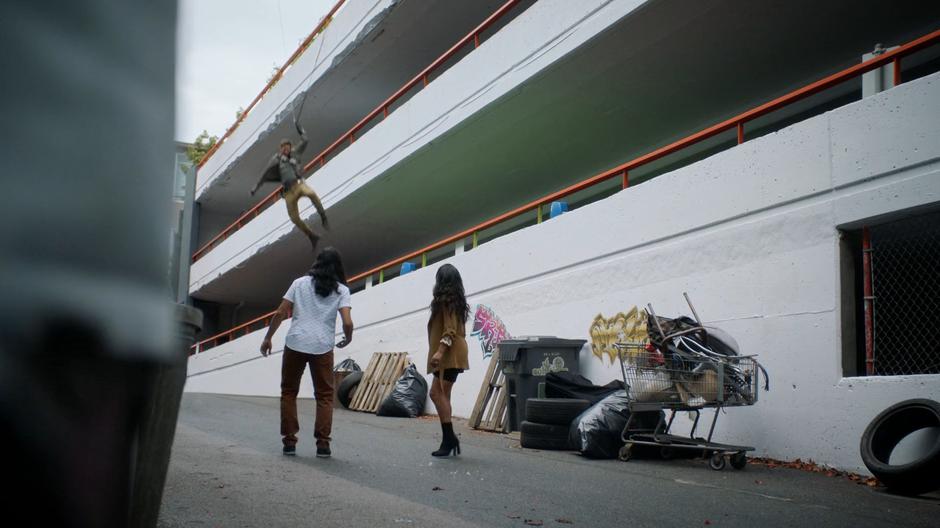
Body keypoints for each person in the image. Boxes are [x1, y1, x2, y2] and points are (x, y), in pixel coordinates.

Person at [260, 247, 353, 458]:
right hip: (322, 347)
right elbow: (347, 321)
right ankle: (323, 444)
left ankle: (289, 442)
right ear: (338, 267)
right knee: (325, 396)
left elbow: (280, 312)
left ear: (317, 263)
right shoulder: (341, 290)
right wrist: (348, 338)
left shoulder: (299, 283)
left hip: (295, 343)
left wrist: (268, 338)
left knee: (289, 392)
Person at [251, 119, 329, 250]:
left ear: (290, 147)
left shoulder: (295, 153)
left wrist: (300, 128)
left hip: (298, 185)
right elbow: (265, 173)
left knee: (311, 193)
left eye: (287, 147)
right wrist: (256, 187)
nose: (285, 149)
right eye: (283, 147)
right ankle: (311, 235)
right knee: (294, 218)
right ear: (280, 149)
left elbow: (305, 140)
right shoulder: (276, 159)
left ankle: (323, 216)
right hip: (288, 193)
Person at [426, 264, 470, 457]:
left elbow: (450, 329)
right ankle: (447, 439)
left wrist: (440, 352)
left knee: (436, 393)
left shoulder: (446, 301)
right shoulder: (456, 301)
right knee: (444, 394)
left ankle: (449, 437)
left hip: (450, 352)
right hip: (456, 351)